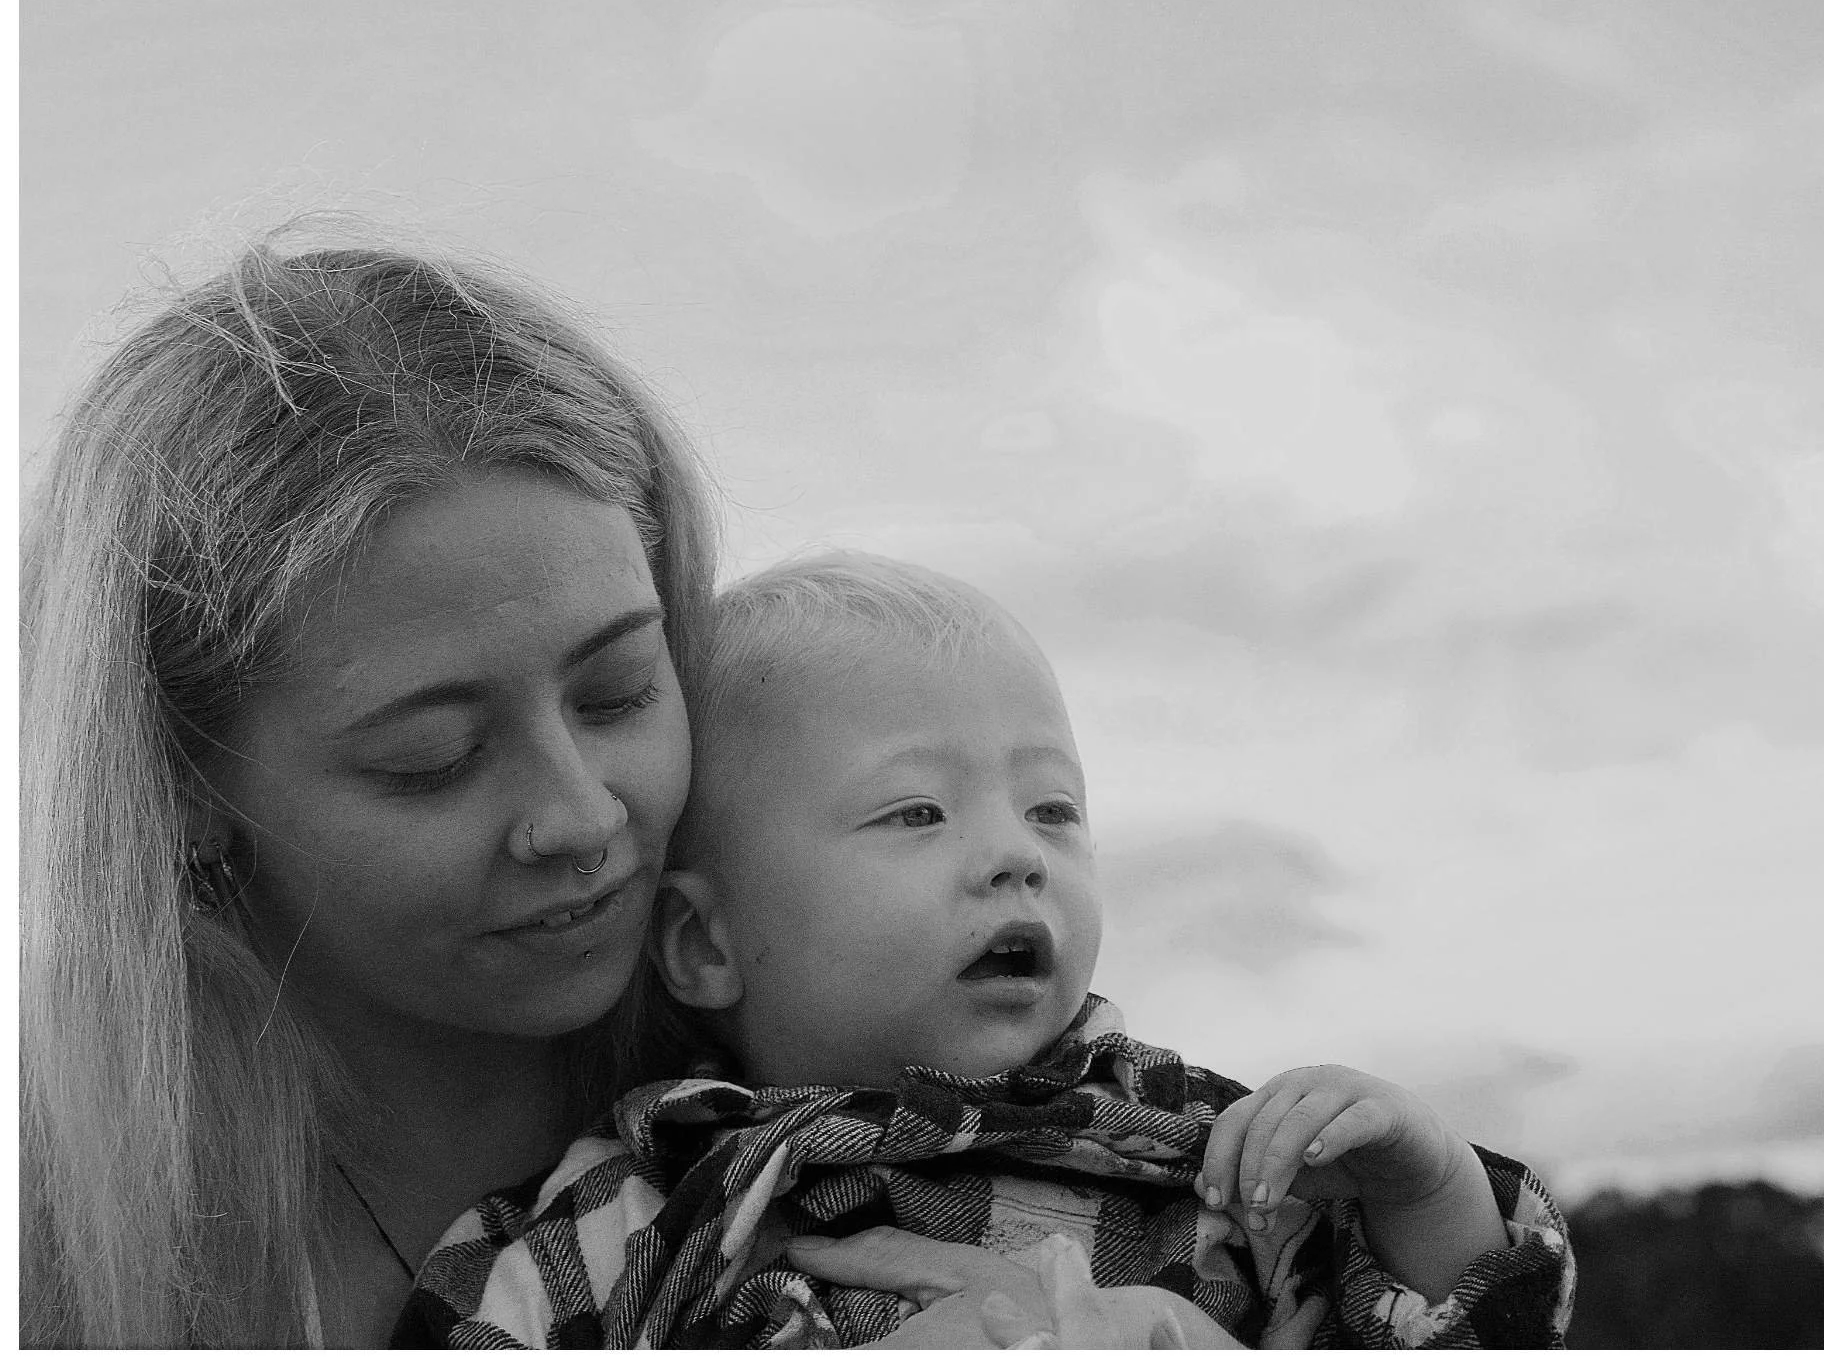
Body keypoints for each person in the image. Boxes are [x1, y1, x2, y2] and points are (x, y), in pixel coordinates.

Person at [20, 228, 1134, 1349]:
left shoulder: (869, 1059)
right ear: (177, 786)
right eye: (434, 757)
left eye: (617, 691)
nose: (586, 817)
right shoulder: (45, 1241)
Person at [400, 554, 1576, 1348]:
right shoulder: (637, 1205)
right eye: (915, 813)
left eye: (1052, 811)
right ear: (706, 944)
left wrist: (1429, 1189)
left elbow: (1462, 1335)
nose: (1015, 858)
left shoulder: (1201, 1151)